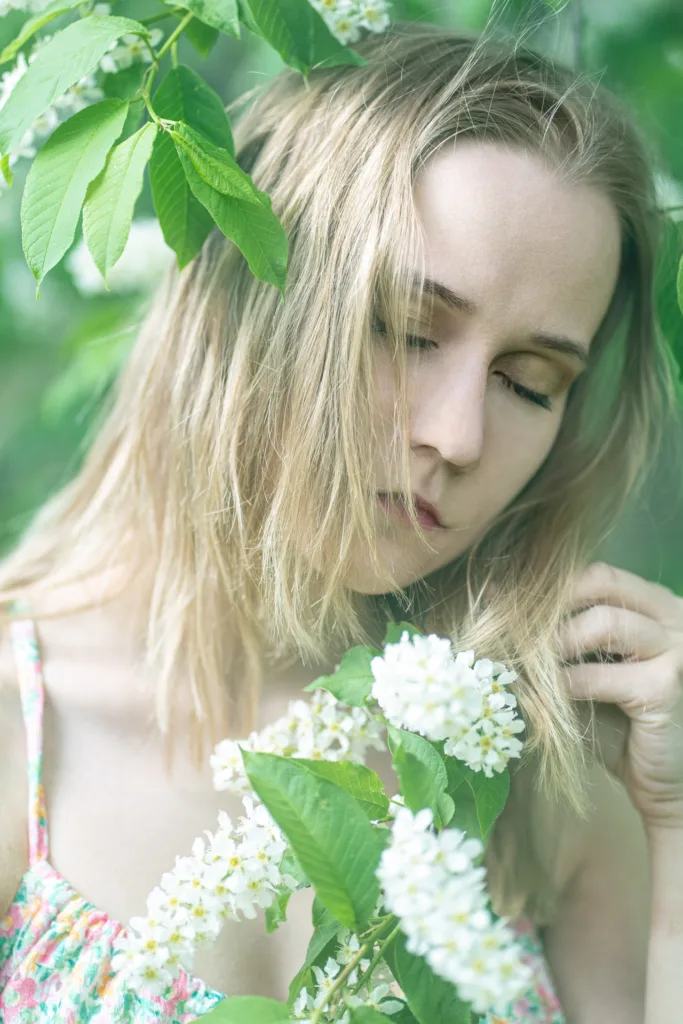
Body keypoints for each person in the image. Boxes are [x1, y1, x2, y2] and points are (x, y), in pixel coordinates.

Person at [0, 16, 682, 1024]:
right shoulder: (25, 733)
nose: (455, 434)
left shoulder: (540, 775)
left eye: (527, 382)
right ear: (249, 291)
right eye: (405, 330)